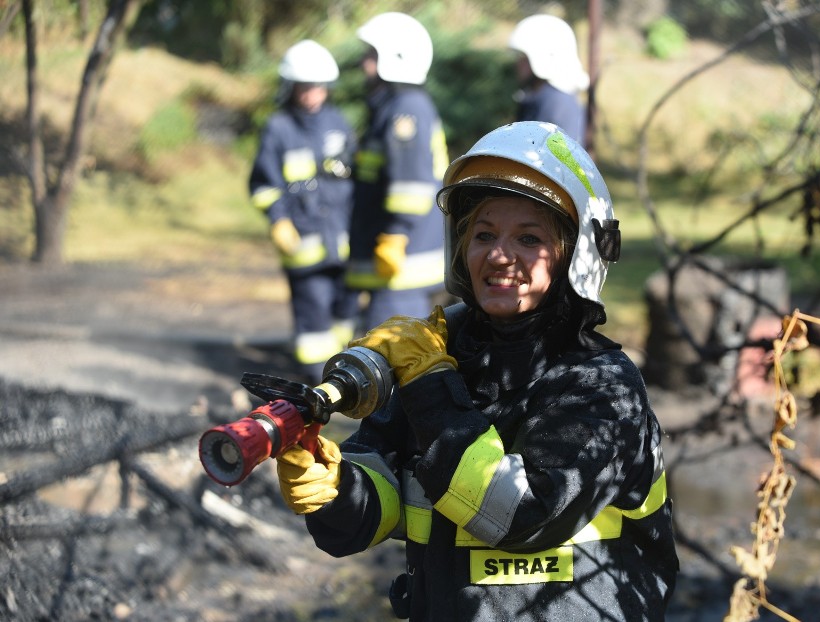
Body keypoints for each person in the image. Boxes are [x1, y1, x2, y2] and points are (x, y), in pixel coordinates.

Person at [275, 121, 679, 621]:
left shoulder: (599, 384)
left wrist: (428, 383)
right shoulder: (441, 360)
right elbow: (380, 500)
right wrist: (334, 489)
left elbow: (521, 517)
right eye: (483, 234)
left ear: (577, 256)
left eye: (529, 239)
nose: (499, 255)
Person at [248, 40, 359, 383]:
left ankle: (346, 377)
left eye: (318, 87)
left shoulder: (339, 124)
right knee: (314, 321)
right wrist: (278, 220)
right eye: (304, 87)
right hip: (303, 245)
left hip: (344, 244)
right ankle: (317, 384)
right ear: (291, 87)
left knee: (346, 315)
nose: (312, 94)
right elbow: (263, 185)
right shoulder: (278, 129)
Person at [345, 12, 449, 331]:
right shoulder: (393, 106)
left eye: (372, 56)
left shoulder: (407, 109)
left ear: (396, 58)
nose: (365, 64)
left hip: (402, 264)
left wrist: (396, 235)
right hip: (395, 264)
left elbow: (411, 185)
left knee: (394, 361)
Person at [508, 14, 590, 145]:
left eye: (523, 56)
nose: (518, 63)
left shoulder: (556, 104)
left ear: (543, 58)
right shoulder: (538, 96)